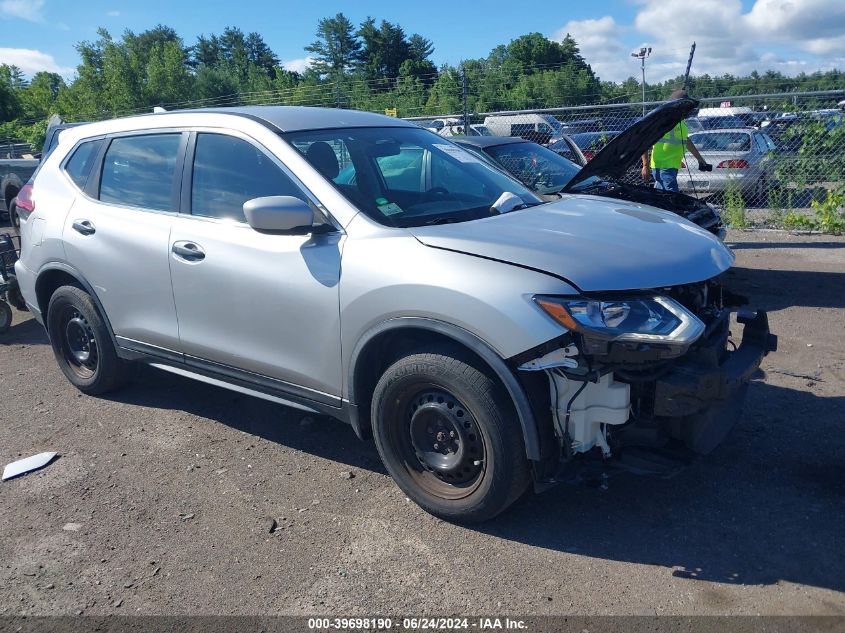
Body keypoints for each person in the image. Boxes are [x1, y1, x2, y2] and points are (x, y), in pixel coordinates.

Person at [641, 89, 710, 192]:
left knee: (663, 198)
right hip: (663, 166)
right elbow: (644, 141)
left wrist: (699, 159)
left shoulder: (681, 122)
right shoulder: (662, 120)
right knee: (672, 197)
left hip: (672, 166)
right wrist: (645, 165)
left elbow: (685, 141)